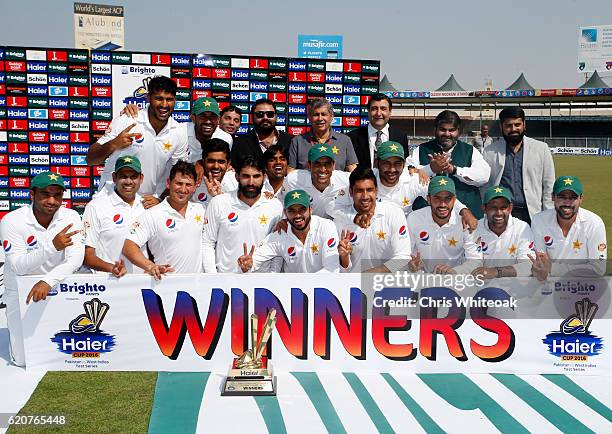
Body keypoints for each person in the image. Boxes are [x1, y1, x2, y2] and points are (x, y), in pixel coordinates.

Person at [1, 171, 85, 366]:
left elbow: (75, 259)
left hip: (56, 285)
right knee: (22, 360)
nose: (52, 201)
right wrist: (52, 247)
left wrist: (48, 281)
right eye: (45, 194)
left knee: (65, 353)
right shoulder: (12, 221)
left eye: (57, 195)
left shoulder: (71, 216)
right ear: (32, 195)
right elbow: (18, 266)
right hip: (20, 290)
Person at [86, 75, 188, 208]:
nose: (164, 105)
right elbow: (91, 160)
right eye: (158, 98)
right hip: (111, 201)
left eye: (169, 99)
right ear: (148, 98)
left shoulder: (178, 131)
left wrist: (160, 199)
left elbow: (178, 174)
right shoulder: (128, 120)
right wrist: (114, 143)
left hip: (146, 205)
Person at [329, 141, 478, 230]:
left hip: (398, 235)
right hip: (366, 232)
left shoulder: (413, 179)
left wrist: (464, 211)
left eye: (397, 164)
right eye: (386, 163)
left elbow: (440, 194)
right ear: (377, 162)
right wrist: (354, 217)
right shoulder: (366, 180)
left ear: (404, 164)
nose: (392, 169)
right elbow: (331, 206)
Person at [123, 161, 205, 278]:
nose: (183, 189)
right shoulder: (153, 214)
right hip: (166, 287)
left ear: (195, 186)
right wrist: (149, 266)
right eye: (178, 183)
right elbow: (128, 245)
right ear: (168, 183)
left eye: (188, 185)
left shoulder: (200, 210)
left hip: (197, 287)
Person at [202, 155, 283, 273]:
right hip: (225, 281)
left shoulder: (275, 206)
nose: (251, 182)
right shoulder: (219, 203)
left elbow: (276, 247)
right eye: (246, 176)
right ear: (237, 176)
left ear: (264, 178)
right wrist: (213, 278)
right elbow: (207, 243)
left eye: (256, 176)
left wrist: (272, 277)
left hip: (262, 282)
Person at [408, 110, 490, 218]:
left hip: (464, 218)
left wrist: (454, 170)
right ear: (435, 130)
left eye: (451, 130)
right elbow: (407, 176)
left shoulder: (470, 151)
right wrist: (431, 169)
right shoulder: (421, 150)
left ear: (458, 131)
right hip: (427, 219)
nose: (447, 134)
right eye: (443, 130)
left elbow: (484, 176)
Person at [237, 189, 340, 273]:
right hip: (295, 295)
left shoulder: (326, 226)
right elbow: (254, 260)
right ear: (285, 212)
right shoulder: (280, 235)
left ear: (310, 209)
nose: (297, 215)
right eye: (291, 211)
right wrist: (248, 264)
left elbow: (331, 269)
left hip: (323, 292)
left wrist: (307, 285)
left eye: (302, 209)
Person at [482, 107, 555, 224]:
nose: (513, 129)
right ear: (501, 127)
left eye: (517, 124)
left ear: (524, 125)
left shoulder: (541, 149)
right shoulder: (489, 151)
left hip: (532, 213)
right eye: (508, 125)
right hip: (501, 214)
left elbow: (548, 185)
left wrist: (549, 215)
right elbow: (485, 185)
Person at [332, 167, 411, 273]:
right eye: (359, 191)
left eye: (369, 190)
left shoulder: (394, 213)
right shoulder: (339, 221)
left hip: (386, 285)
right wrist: (344, 258)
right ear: (351, 192)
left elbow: (403, 258)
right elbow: (341, 271)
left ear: (376, 191)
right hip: (354, 286)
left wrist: (369, 275)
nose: (365, 196)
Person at [530, 176, 607, 280]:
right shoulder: (539, 220)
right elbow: (540, 263)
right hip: (549, 285)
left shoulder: (594, 223)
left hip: (584, 287)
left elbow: (598, 269)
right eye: (562, 196)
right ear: (553, 197)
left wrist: (553, 268)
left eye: (572, 197)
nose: (567, 202)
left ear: (581, 199)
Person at [82, 155, 146, 275]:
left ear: (141, 178)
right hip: (107, 283)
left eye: (133, 177)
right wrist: (112, 268)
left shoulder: (147, 206)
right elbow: (87, 255)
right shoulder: (96, 206)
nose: (128, 181)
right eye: (123, 176)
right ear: (114, 177)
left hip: (140, 284)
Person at [406, 176, 482, 274]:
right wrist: (409, 264)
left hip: (455, 280)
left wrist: (455, 271)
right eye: (437, 198)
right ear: (428, 199)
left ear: (454, 200)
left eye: (448, 199)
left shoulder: (466, 222)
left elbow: (476, 260)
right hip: (422, 278)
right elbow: (404, 253)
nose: (442, 204)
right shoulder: (414, 218)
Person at [471, 185, 535, 279]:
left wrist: (496, 271)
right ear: (484, 208)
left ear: (510, 208)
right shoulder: (475, 229)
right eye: (493, 207)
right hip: (481, 285)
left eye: (503, 208)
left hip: (513, 287)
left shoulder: (522, 228)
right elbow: (471, 264)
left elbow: (528, 266)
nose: (499, 213)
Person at [288, 98, 358, 172]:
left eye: (324, 114)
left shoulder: (345, 141)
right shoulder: (297, 141)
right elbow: (290, 173)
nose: (320, 118)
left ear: (331, 116)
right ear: (309, 117)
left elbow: (353, 172)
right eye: (316, 115)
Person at [283, 144, 349, 218]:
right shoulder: (293, 180)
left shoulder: (346, 180)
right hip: (308, 227)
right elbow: (282, 202)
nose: (322, 169)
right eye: (317, 164)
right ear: (309, 165)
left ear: (333, 165)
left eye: (327, 164)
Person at [347, 93, 409, 168]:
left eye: (383, 109)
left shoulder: (400, 137)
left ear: (390, 112)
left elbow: (404, 165)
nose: (378, 113)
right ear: (368, 111)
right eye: (374, 108)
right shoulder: (351, 137)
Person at [230, 98, 292, 168]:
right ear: (252, 117)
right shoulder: (239, 143)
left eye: (270, 114)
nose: (265, 118)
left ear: (276, 117)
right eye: (260, 114)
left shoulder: (290, 141)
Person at [191, 138, 238, 210]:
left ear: (228, 163)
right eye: (211, 161)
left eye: (221, 162)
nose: (216, 166)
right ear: (203, 161)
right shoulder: (192, 180)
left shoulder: (237, 182)